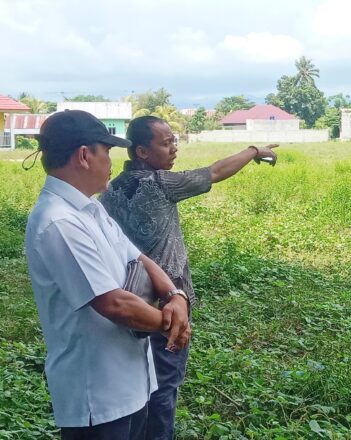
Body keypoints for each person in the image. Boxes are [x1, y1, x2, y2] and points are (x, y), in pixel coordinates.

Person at [99, 115, 278, 439]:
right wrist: (254, 151)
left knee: (137, 383)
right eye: (166, 143)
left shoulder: (109, 190)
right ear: (141, 151)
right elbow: (215, 171)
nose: (174, 148)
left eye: (174, 141)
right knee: (164, 386)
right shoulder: (162, 184)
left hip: (126, 300)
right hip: (169, 303)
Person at [24, 110, 190, 440]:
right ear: (85, 155)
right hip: (98, 396)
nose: (112, 161)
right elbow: (113, 304)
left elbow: (139, 257)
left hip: (132, 384)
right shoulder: (58, 222)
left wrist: (176, 296)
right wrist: (172, 323)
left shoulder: (90, 208)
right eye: (108, 151)